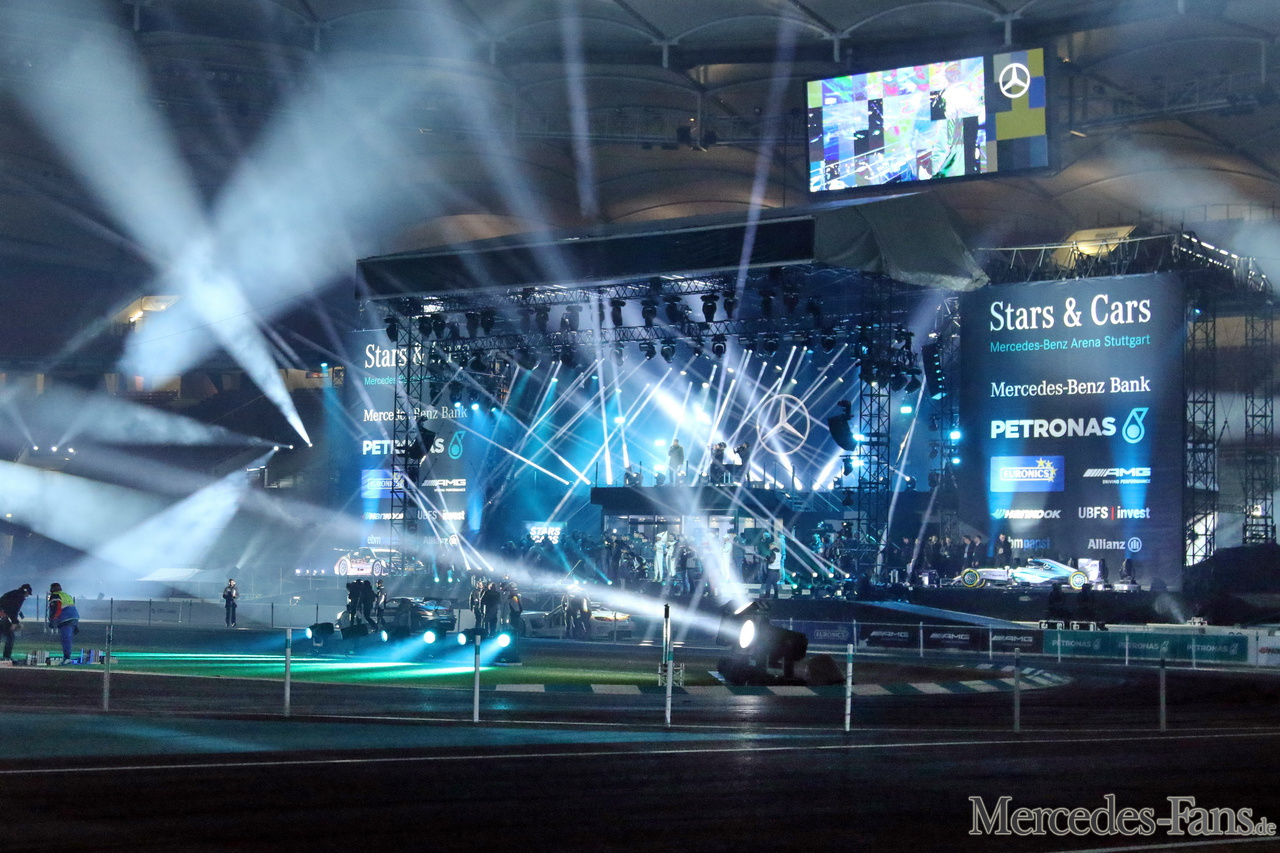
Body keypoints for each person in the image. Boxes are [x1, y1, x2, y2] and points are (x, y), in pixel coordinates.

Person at [46, 583, 80, 663]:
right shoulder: (66, 595)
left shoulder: (55, 596)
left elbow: (56, 608)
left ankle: (67, 658)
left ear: (52, 589)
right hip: (74, 617)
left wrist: (53, 620)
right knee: (68, 639)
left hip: (65, 618)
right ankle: (68, 657)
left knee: (65, 639)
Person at [0, 583, 32, 662]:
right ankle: (6, 656)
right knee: (10, 636)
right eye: (28, 594)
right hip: (3, 616)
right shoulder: (19, 596)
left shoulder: (13, 593)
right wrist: (15, 622)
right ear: (26, 591)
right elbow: (14, 609)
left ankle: (6, 656)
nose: (27, 596)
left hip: (2, 615)